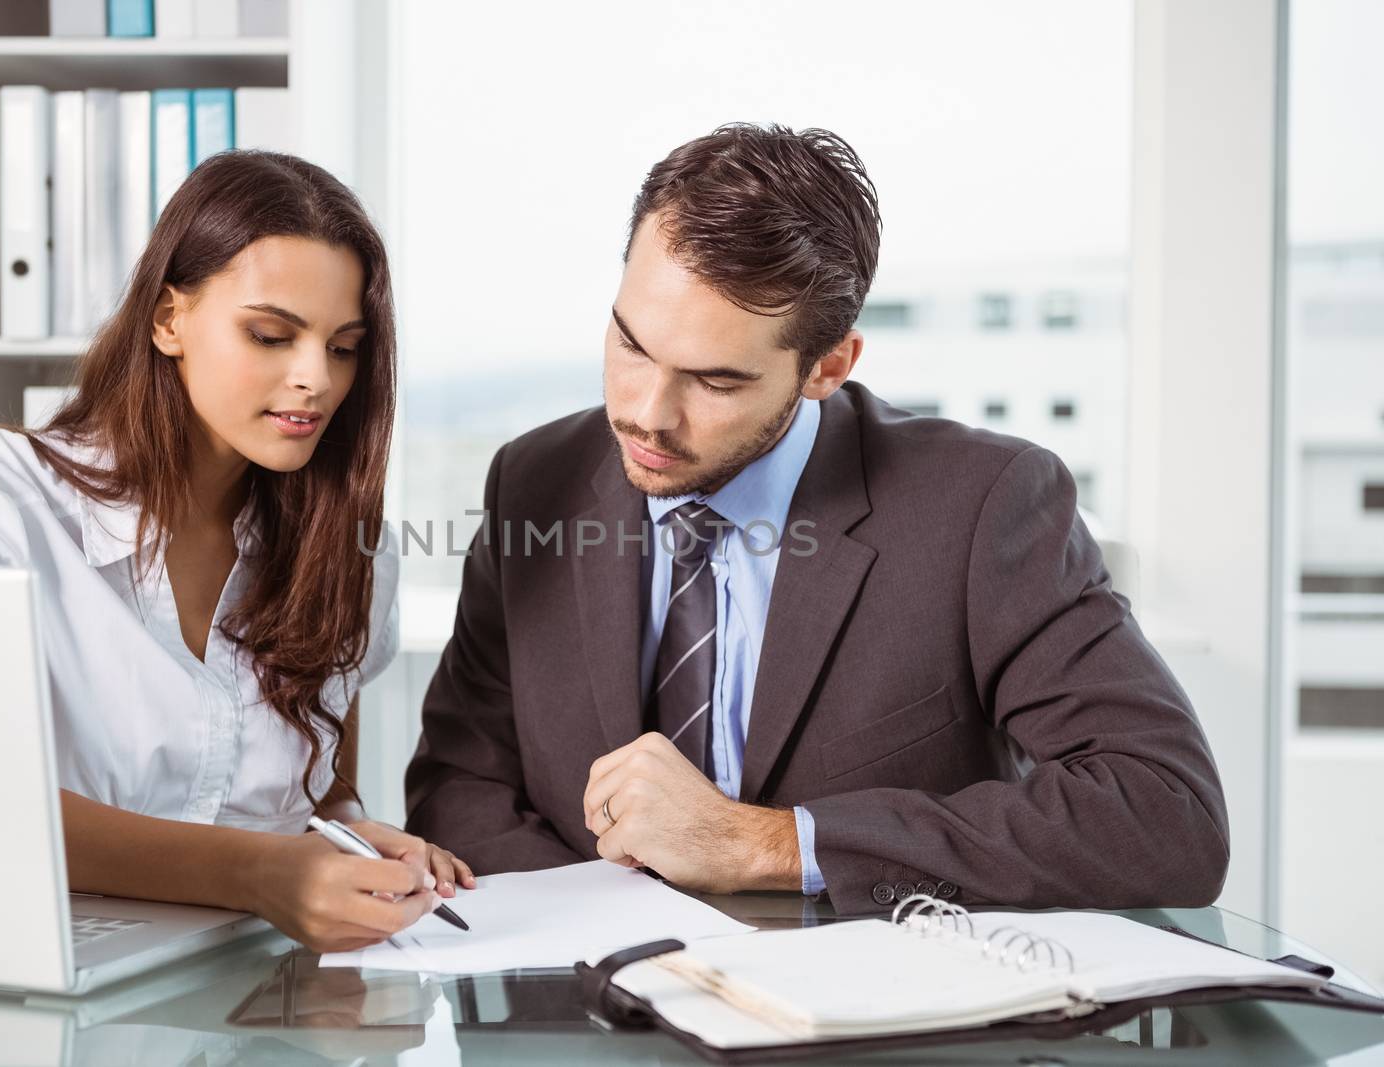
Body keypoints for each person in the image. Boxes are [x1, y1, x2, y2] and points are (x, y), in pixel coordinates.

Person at [404, 124, 1229, 913]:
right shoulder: (534, 479)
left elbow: (1166, 814)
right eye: (631, 344)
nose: (647, 413)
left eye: (717, 381)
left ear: (827, 367)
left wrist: (765, 846)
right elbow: (457, 785)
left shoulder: (982, 505)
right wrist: (619, 929)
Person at [0, 150, 473, 952]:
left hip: (258, 986)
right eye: (271, 334)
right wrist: (258, 871)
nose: (315, 378)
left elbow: (321, 790)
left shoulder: (347, 551)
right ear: (169, 319)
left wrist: (353, 839)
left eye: (344, 347)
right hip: (42, 968)